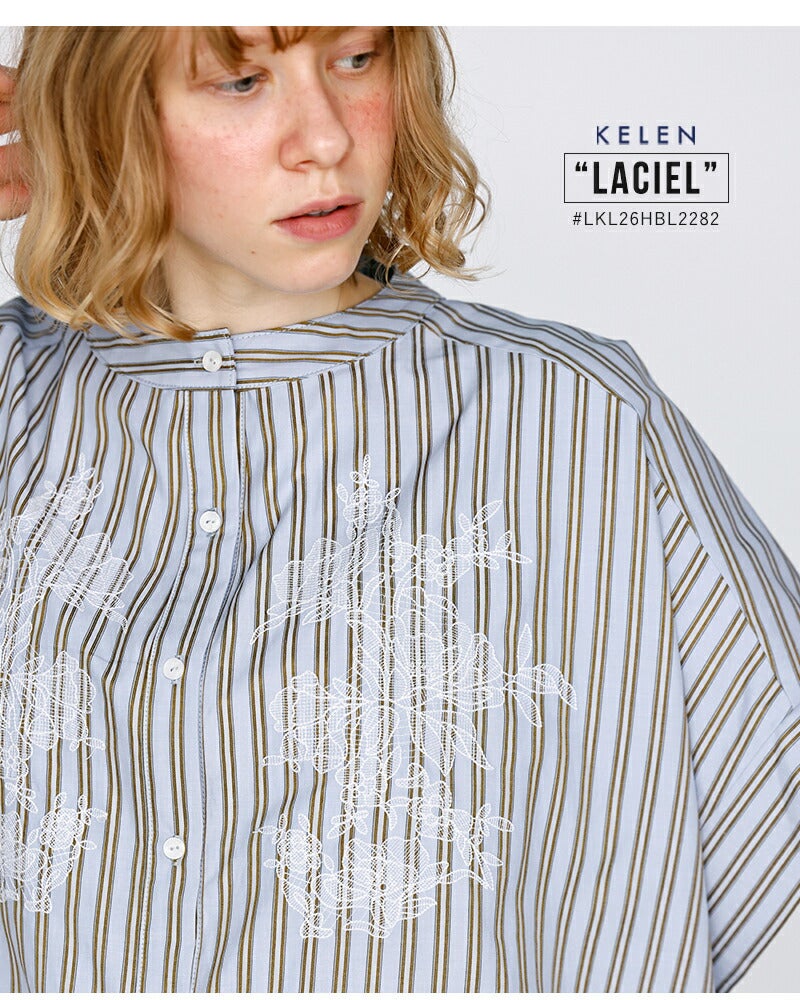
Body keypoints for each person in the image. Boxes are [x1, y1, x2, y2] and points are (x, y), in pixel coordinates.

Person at [0, 26, 798, 994]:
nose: (326, 139)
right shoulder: (16, 399)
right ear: (103, 109)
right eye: (241, 81)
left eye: (355, 59)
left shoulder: (571, 414)